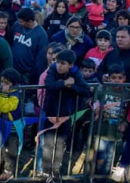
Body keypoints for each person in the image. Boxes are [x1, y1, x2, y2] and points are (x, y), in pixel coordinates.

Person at [42, 49, 91, 182]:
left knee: (60, 144)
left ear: (70, 65)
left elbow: (85, 90)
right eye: (58, 62)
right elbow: (50, 85)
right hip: (51, 112)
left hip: (66, 114)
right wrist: (64, 83)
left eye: (63, 63)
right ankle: (45, 172)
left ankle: (56, 171)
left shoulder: (75, 73)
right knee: (48, 144)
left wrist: (71, 86)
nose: (59, 65)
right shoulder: (52, 70)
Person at [93, 64, 130, 176]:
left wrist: (125, 123)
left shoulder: (128, 92)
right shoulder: (101, 88)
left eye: (120, 78)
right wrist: (96, 108)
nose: (117, 81)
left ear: (124, 79)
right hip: (101, 131)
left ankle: (104, 179)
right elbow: (94, 101)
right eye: (113, 78)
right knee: (100, 158)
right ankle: (95, 177)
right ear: (108, 78)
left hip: (116, 133)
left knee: (110, 160)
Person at [11, 8, 49, 84]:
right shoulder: (17, 26)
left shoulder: (41, 35)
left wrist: (34, 75)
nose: (19, 23)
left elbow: (41, 59)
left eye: (21, 22)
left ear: (30, 22)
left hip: (27, 74)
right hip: (13, 69)